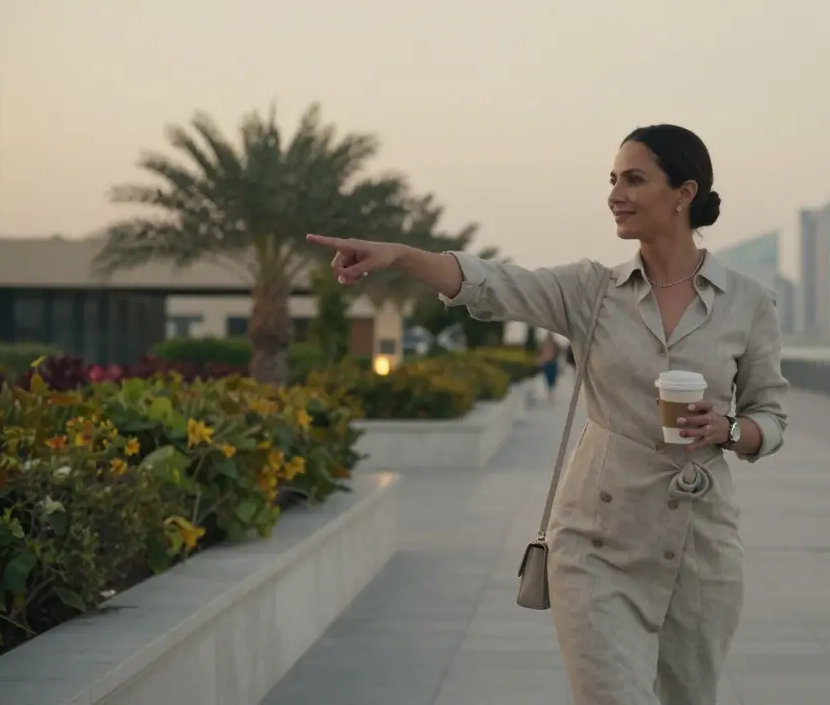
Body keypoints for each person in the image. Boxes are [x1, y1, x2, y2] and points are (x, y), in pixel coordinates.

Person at [307, 124, 789, 705]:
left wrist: (728, 429)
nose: (615, 194)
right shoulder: (591, 291)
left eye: (634, 180)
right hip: (596, 543)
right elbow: (492, 285)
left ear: (684, 193)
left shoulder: (748, 303)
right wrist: (401, 257)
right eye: (613, 180)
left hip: (700, 548)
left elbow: (771, 417)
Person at [536, 331, 561, 403]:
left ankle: (550, 391)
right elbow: (541, 352)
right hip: (548, 362)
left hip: (552, 362)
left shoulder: (554, 343)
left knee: (551, 377)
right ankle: (550, 391)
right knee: (549, 377)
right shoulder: (545, 343)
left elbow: (558, 352)